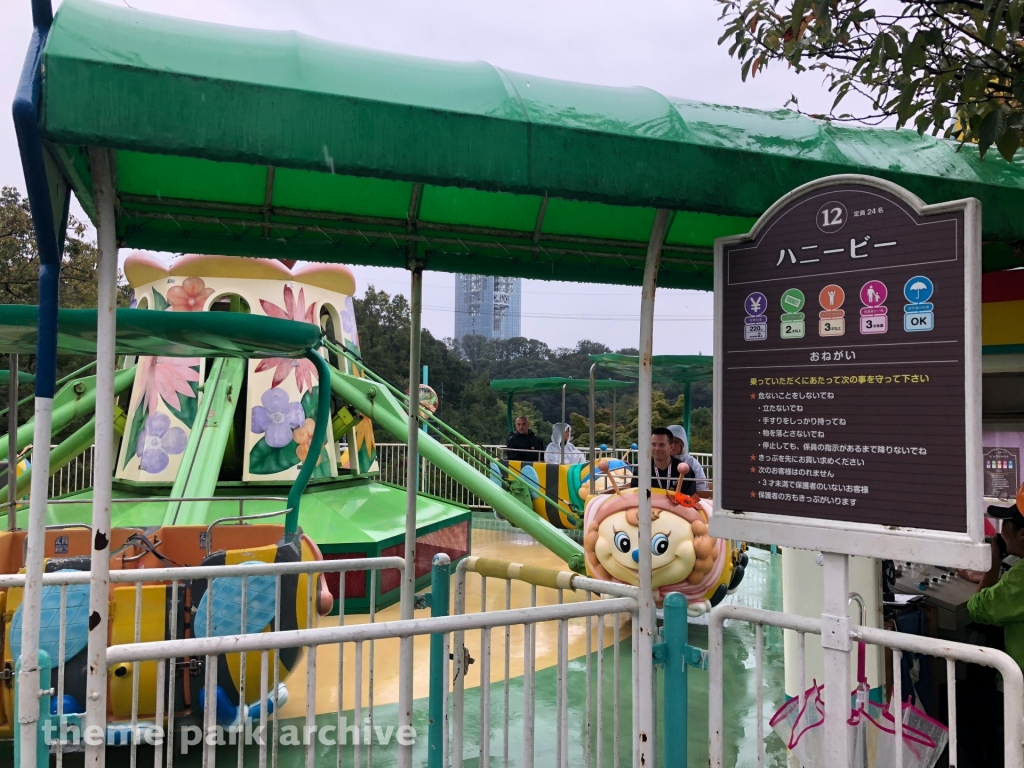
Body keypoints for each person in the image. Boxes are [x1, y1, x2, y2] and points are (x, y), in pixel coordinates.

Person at [967, 502, 1024, 675]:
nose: (1000, 533)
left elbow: (977, 609)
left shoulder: (1019, 578)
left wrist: (993, 564)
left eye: (1005, 526)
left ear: (1022, 534)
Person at [631, 427, 696, 495]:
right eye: (653, 444)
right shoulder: (641, 470)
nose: (657, 449)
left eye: (661, 445)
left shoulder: (684, 471)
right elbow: (635, 497)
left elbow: (690, 498)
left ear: (671, 447)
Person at [666, 425, 709, 492]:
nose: (673, 446)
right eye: (670, 442)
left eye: (676, 442)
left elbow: (701, 487)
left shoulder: (692, 463)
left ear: (683, 443)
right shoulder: (660, 461)